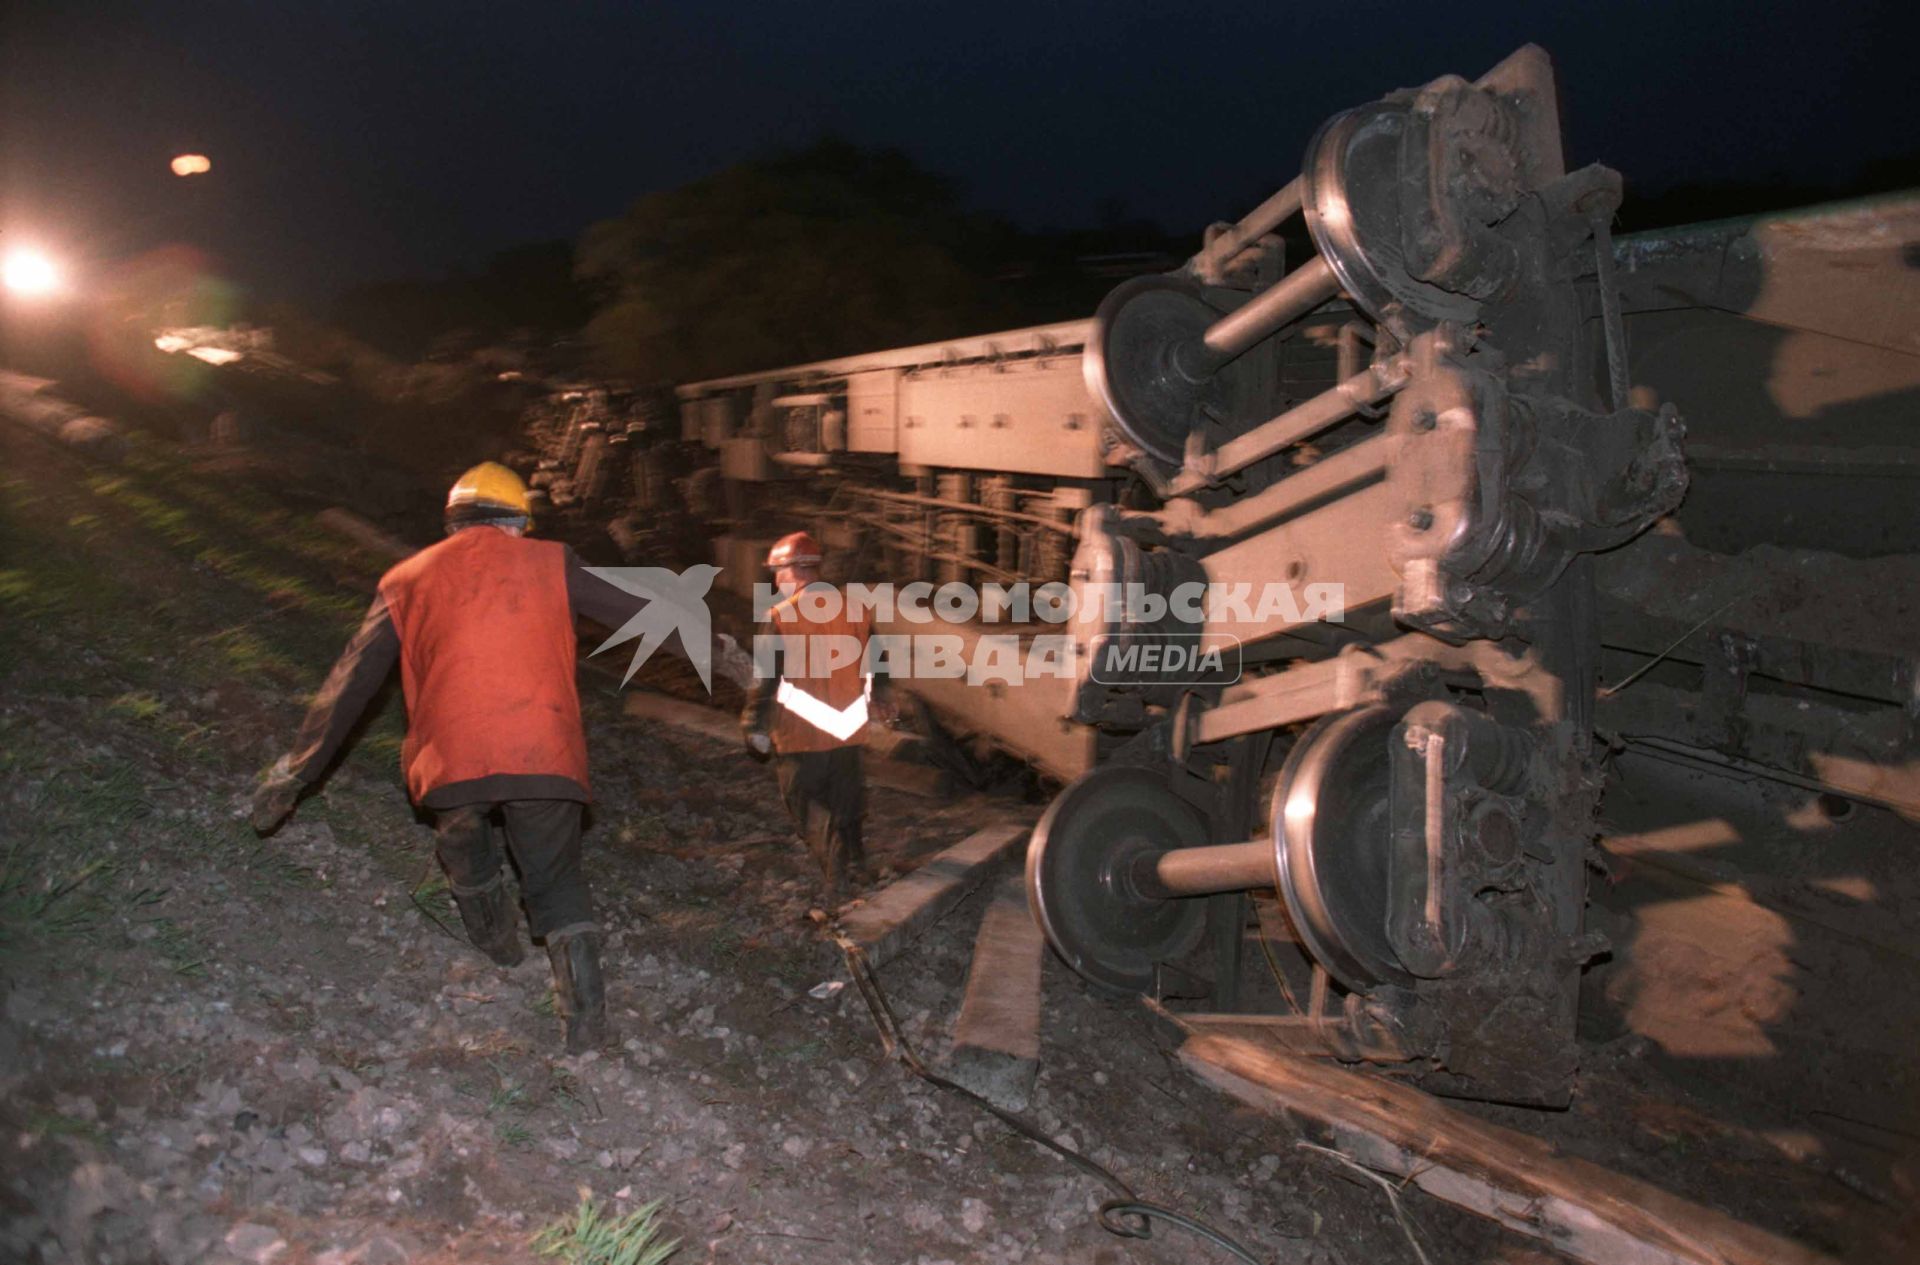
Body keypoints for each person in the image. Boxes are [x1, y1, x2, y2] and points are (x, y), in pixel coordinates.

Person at [249, 462, 738, 1052]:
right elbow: (648, 610)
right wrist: (727, 656)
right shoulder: (551, 561)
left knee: (463, 835)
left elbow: (350, 682)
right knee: (556, 877)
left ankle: (498, 945)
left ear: (453, 522)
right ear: (517, 523)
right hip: (542, 749)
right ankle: (585, 1026)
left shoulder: (404, 578)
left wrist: (294, 771)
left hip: (449, 755)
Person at [740, 531, 890, 904]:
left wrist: (753, 723)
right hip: (848, 732)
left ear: (794, 570)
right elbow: (878, 662)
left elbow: (765, 676)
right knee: (848, 803)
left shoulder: (781, 616)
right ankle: (859, 866)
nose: (776, 580)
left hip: (800, 735)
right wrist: (882, 698)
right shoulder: (856, 610)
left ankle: (835, 878)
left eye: (778, 571)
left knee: (808, 807)